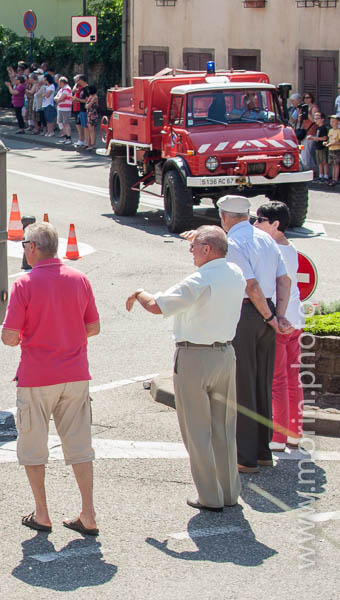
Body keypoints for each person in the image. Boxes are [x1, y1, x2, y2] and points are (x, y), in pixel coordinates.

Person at [126, 226, 245, 512]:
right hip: (225, 353)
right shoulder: (235, 274)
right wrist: (202, 237)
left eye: (194, 247)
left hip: (195, 356)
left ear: (207, 249)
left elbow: (156, 306)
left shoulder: (199, 280)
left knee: (196, 429)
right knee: (224, 428)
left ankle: (209, 495)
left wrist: (139, 292)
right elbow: (213, 249)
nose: (190, 250)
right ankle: (229, 491)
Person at [1, 222, 100, 536]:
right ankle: (88, 513)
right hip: (75, 375)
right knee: (80, 446)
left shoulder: (25, 284)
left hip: (37, 377)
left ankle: (42, 513)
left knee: (34, 445)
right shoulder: (79, 279)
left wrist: (27, 337)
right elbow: (93, 327)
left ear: (32, 247)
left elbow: (9, 336)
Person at [217, 195, 292, 474]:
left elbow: (250, 286)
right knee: (261, 381)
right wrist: (278, 315)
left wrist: (270, 316)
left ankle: (245, 457)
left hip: (249, 312)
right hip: (267, 309)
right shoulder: (265, 238)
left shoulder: (234, 243)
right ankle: (262, 450)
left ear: (224, 216)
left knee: (244, 384)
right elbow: (284, 280)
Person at [253, 202, 304, 452]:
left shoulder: (272, 250)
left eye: (260, 219)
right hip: (296, 320)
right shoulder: (289, 248)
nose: (255, 223)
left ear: (275, 224)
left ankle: (278, 437)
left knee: (278, 380)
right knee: (292, 378)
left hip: (281, 321)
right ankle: (294, 433)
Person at [310, 113, 330, 183]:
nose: (316, 120)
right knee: (319, 162)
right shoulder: (317, 128)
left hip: (323, 147)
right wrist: (313, 138)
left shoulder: (323, 128)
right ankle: (321, 175)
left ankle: (326, 176)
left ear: (322, 119)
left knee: (324, 162)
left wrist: (314, 138)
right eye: (315, 118)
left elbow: (324, 138)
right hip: (318, 147)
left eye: (317, 118)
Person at [54, 76, 73, 144]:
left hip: (66, 109)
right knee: (62, 123)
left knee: (66, 123)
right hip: (61, 108)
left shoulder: (67, 89)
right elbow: (56, 97)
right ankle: (66, 138)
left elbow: (60, 98)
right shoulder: (61, 89)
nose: (58, 83)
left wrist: (59, 99)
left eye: (59, 82)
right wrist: (58, 99)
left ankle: (69, 138)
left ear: (62, 82)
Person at [72, 75, 88, 148]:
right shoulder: (79, 86)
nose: (76, 82)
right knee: (78, 124)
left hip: (80, 108)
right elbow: (73, 90)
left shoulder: (82, 88)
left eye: (77, 80)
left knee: (81, 125)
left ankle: (83, 139)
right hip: (77, 108)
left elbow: (75, 90)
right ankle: (81, 139)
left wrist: (76, 99)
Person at [327, 114, 340, 186]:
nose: (332, 123)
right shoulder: (330, 130)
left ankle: (335, 179)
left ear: (338, 122)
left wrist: (333, 143)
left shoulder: (339, 131)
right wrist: (327, 143)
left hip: (336, 149)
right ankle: (333, 178)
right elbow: (329, 140)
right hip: (330, 149)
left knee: (336, 164)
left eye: (334, 121)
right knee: (333, 164)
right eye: (331, 121)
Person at [85, 85, 99, 149]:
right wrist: (87, 105)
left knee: (92, 129)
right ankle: (91, 143)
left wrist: (87, 105)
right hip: (89, 114)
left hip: (93, 114)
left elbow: (89, 105)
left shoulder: (95, 97)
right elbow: (86, 105)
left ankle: (93, 144)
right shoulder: (90, 96)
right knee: (90, 129)